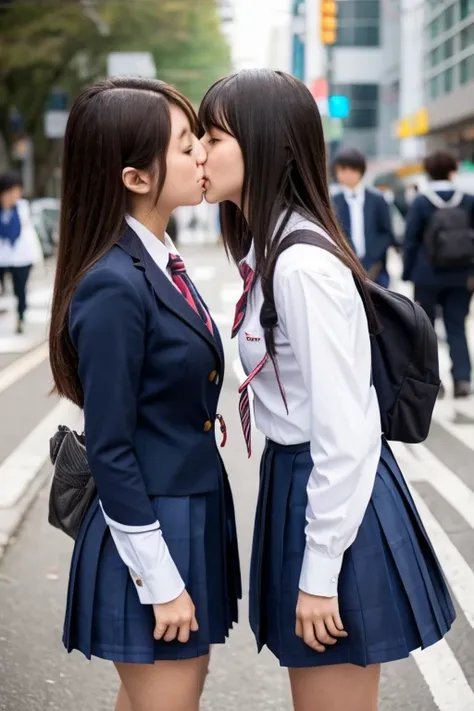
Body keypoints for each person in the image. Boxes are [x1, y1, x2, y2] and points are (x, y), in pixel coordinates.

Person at [199, 69, 455, 711]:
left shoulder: (301, 265)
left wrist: (319, 572)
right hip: (307, 489)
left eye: (212, 134)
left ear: (262, 143)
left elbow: (347, 427)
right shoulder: (272, 248)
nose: (199, 150)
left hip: (330, 498)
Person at [49, 77, 241, 711]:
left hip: (183, 508)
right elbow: (110, 444)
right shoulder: (114, 283)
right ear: (135, 178)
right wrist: (159, 580)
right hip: (152, 528)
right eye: (186, 145)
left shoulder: (158, 258)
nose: (201, 156)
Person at [403, 149, 474, 399]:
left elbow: (410, 239)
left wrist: (408, 271)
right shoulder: (467, 200)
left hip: (427, 275)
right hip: (460, 275)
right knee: (457, 327)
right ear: (452, 171)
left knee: (427, 330)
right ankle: (463, 378)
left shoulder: (422, 201)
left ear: (428, 172)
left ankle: (433, 381)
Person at [332, 149, 394, 287]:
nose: (339, 175)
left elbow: (386, 232)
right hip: (345, 268)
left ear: (357, 171)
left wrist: (372, 258)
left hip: (375, 270)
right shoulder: (333, 201)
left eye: (343, 170)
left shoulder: (377, 199)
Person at [0, 172, 43, 332]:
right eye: (9, 192)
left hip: (21, 257)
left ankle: (20, 317)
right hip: (2, 257)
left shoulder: (23, 208)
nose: (13, 196)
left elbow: (25, 231)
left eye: (17, 191)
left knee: (20, 289)